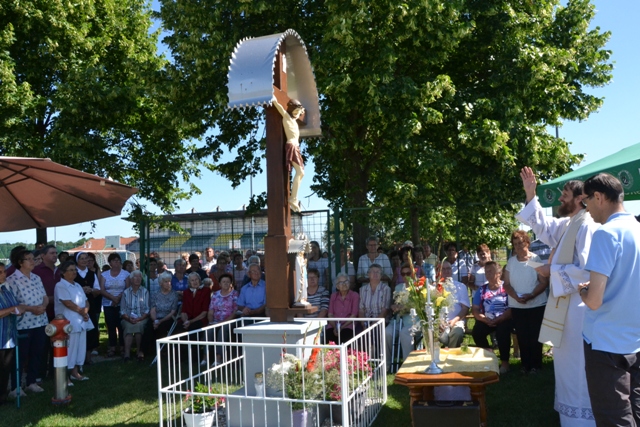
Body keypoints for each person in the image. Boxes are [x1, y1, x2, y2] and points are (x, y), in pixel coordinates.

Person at [517, 166, 597, 425]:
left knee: (578, 368)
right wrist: (531, 194)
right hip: (565, 309)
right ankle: (570, 418)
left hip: (579, 311)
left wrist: (550, 270)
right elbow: (542, 226)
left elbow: (587, 270)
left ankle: (585, 419)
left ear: (580, 198)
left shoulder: (587, 226)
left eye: (565, 194)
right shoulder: (569, 224)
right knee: (566, 367)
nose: (560, 198)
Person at [578, 173, 640, 426]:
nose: (587, 209)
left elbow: (594, 301)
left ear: (599, 197)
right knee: (636, 410)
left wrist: (583, 291)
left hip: (606, 342)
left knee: (614, 417)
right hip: (635, 337)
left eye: (586, 202)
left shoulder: (606, 234)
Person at [503, 230, 548, 374]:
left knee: (535, 336)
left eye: (520, 243)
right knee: (522, 336)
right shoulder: (511, 262)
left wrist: (531, 295)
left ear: (527, 243)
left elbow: (543, 282)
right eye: (515, 244)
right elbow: (506, 284)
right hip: (517, 306)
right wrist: (516, 297)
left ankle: (536, 365)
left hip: (536, 304)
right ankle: (525, 365)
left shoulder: (535, 260)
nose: (518, 246)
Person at [7, 249, 48, 394]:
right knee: (21, 355)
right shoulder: (12, 280)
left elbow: (44, 296)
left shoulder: (36, 277)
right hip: (23, 323)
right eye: (29, 259)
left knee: (37, 352)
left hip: (40, 321)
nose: (32, 261)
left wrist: (43, 306)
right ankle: (16, 386)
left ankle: (31, 381)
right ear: (20, 262)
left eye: (33, 258)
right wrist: (31, 309)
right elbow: (13, 303)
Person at [54, 260, 92, 382]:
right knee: (69, 349)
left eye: (75, 270)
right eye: (71, 270)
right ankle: (65, 376)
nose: (74, 272)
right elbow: (67, 303)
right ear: (63, 272)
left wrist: (86, 311)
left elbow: (86, 301)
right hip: (68, 322)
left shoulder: (77, 285)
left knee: (79, 348)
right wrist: (82, 312)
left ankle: (75, 372)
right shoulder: (60, 285)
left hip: (80, 322)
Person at [471, 261, 512, 374]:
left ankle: (505, 363)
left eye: (490, 271)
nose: (488, 274)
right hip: (487, 319)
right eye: (486, 272)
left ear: (499, 273)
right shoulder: (481, 290)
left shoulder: (507, 288)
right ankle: (489, 357)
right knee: (477, 332)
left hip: (504, 318)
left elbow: (512, 308)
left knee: (502, 332)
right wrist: (483, 319)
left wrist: (501, 318)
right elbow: (475, 309)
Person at [272, 98, 305, 212]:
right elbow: (281, 109)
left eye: (298, 112)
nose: (297, 113)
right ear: (291, 110)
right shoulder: (287, 117)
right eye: (295, 111)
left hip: (296, 147)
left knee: (301, 173)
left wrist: (301, 111)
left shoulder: (295, 119)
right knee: (300, 172)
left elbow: (300, 113)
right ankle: (293, 199)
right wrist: (274, 100)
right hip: (292, 146)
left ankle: (294, 198)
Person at [0, 263, 26, 403]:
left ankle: (3, 396)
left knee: (5, 369)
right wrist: (11, 309)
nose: (3, 275)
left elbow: (15, 305)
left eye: (4, 271)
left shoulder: (6, 289)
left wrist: (18, 310)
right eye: (0, 272)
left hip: (8, 336)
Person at [385, 263, 416, 371]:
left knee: (404, 333)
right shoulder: (398, 287)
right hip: (398, 319)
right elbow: (395, 302)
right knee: (386, 333)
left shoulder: (418, 287)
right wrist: (394, 306)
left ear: (413, 274)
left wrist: (403, 308)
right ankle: (387, 365)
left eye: (408, 273)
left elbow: (415, 306)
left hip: (412, 321)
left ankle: (407, 367)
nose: (405, 276)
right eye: (403, 274)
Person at [100, 252, 131, 358]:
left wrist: (118, 298)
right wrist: (112, 298)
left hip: (122, 303)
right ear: (110, 263)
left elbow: (127, 288)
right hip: (108, 304)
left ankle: (122, 347)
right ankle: (112, 347)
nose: (116, 262)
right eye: (114, 260)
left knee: (121, 325)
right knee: (111, 325)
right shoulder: (104, 275)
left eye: (118, 260)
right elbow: (102, 289)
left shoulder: (126, 274)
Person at [75, 252, 101, 364]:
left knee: (90, 331)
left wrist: (91, 290)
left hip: (90, 304)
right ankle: (77, 358)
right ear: (77, 260)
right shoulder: (73, 272)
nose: (84, 260)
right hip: (76, 305)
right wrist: (81, 289)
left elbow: (97, 290)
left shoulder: (92, 274)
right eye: (81, 258)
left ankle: (88, 357)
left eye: (86, 258)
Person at [207, 273, 238, 366]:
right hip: (215, 321)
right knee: (208, 330)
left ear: (231, 284)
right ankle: (205, 357)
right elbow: (211, 311)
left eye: (228, 282)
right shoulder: (215, 295)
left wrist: (222, 322)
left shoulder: (235, 294)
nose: (226, 283)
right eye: (223, 282)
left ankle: (218, 357)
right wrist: (210, 321)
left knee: (223, 330)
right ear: (220, 284)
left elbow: (235, 312)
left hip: (229, 321)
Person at [438, 261, 470, 348]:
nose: (446, 271)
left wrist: (453, 321)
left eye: (448, 268)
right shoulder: (434, 287)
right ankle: (435, 355)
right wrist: (439, 322)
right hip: (438, 323)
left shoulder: (461, 286)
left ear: (452, 270)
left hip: (456, 321)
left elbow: (465, 308)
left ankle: (450, 354)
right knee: (429, 331)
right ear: (439, 271)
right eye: (443, 269)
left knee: (457, 332)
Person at [120, 270, 150, 362]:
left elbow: (147, 309)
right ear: (131, 279)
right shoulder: (125, 292)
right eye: (135, 277)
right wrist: (129, 319)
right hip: (128, 318)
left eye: (139, 277)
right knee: (128, 327)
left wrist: (140, 318)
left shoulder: (145, 292)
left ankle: (139, 352)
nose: (138, 279)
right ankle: (127, 354)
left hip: (142, 318)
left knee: (139, 326)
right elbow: (122, 310)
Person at [326, 273, 359, 344]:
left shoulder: (354, 295)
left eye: (346, 281)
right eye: (341, 282)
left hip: (347, 325)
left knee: (345, 337)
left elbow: (353, 315)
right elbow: (330, 314)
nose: (344, 284)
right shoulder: (333, 296)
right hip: (333, 325)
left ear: (349, 283)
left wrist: (341, 327)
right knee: (329, 337)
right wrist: (335, 327)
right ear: (337, 286)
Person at [149, 273, 179, 346]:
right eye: (166, 281)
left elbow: (173, 312)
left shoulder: (174, 294)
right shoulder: (155, 294)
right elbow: (153, 310)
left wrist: (160, 321)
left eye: (169, 281)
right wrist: (155, 321)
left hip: (168, 318)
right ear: (160, 283)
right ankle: (146, 350)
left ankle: (162, 350)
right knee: (148, 327)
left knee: (162, 327)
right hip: (156, 318)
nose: (168, 283)